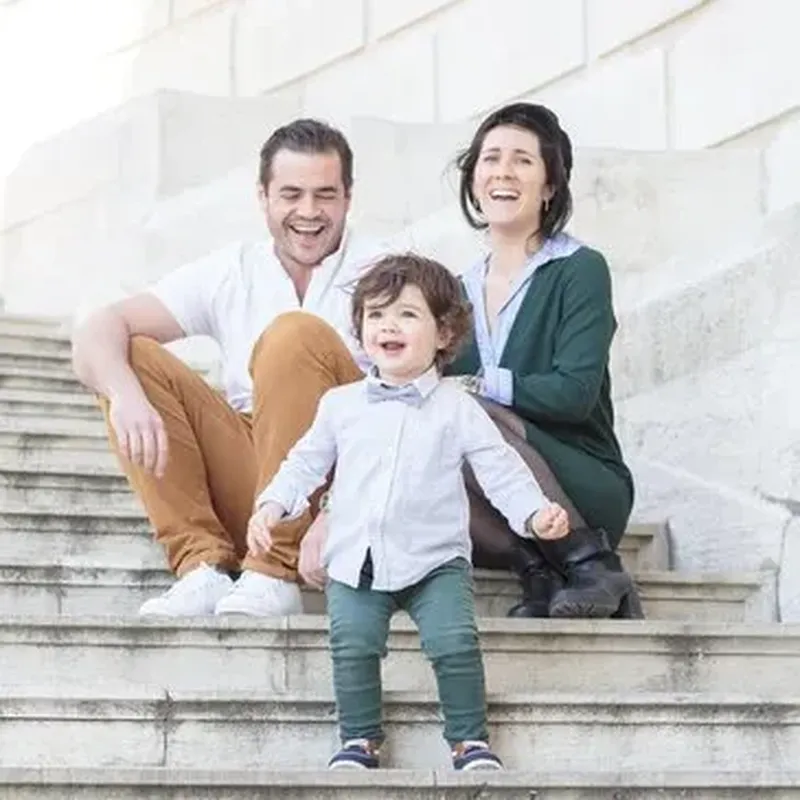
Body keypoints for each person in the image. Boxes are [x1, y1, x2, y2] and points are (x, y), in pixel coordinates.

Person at [248, 253, 570, 771]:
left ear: (443, 333)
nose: (388, 326)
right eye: (375, 315)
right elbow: (304, 462)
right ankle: (359, 738)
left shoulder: (457, 407)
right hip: (357, 558)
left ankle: (468, 740)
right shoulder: (341, 405)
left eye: (406, 314)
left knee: (454, 643)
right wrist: (272, 504)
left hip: (435, 560)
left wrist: (533, 515)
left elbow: (500, 469)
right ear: (360, 329)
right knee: (352, 644)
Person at [71, 118, 386, 618]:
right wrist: (125, 394)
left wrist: (334, 506)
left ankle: (273, 571)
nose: (308, 212)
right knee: (127, 352)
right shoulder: (233, 269)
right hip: (257, 480)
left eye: (325, 195)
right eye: (291, 194)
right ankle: (203, 567)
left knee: (294, 334)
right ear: (263, 197)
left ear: (348, 197)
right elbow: (96, 330)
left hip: (348, 484)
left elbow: (414, 406)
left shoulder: (386, 268)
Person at [446, 102, 642, 619]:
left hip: (581, 486)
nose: (502, 172)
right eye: (490, 159)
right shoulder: (451, 292)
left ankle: (591, 564)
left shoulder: (579, 270)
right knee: (431, 425)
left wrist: (477, 388)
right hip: (500, 509)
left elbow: (575, 394)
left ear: (550, 186)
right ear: (473, 180)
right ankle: (537, 572)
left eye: (523, 161)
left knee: (464, 407)